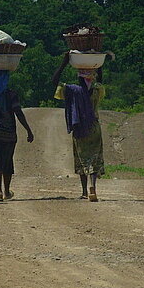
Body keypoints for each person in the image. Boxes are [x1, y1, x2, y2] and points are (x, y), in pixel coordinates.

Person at [52, 52, 106, 202]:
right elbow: (101, 81)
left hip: (79, 129)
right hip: (94, 127)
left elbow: (54, 82)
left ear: (79, 78)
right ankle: (93, 187)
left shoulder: (71, 90)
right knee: (94, 157)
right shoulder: (96, 90)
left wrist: (63, 63)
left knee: (82, 157)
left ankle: (84, 191)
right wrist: (98, 64)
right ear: (92, 77)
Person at [0, 70, 34, 202]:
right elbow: (18, 113)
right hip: (9, 135)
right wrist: (28, 130)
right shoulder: (11, 95)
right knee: (7, 163)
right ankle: (6, 191)